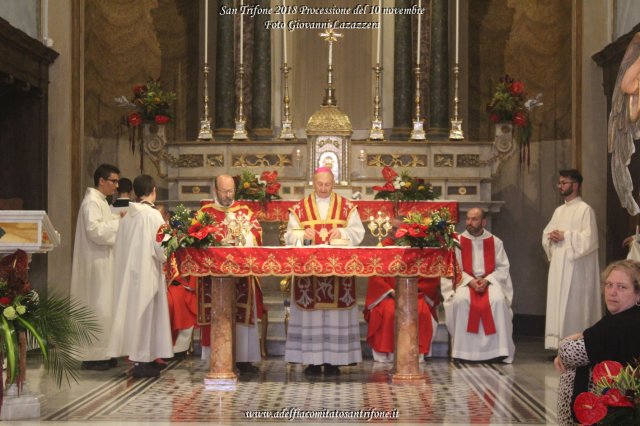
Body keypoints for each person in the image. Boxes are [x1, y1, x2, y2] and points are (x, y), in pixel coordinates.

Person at [283, 167, 365, 376]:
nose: (323, 188)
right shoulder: (300, 209)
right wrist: (303, 233)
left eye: (327, 184)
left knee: (334, 316)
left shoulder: (347, 207)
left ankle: (334, 361)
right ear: (313, 181)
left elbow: (358, 232)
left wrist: (343, 231)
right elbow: (289, 236)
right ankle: (311, 361)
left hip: (338, 274)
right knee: (312, 316)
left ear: (333, 182)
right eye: (319, 184)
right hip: (308, 275)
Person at [554, 260, 640, 425]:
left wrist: (567, 341)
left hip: (611, 414)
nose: (612, 292)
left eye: (622, 287)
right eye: (609, 285)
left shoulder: (620, 323)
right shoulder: (626, 318)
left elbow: (569, 353)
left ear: (638, 294)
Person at [107, 175, 173, 378]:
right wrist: (171, 242)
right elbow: (163, 248)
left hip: (130, 274)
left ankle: (144, 358)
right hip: (147, 273)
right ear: (154, 190)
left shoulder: (129, 216)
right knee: (146, 317)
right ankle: (143, 361)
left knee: (137, 318)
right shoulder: (154, 216)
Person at [197, 174, 264, 372]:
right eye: (224, 191)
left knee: (242, 311)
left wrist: (243, 234)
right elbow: (195, 236)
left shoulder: (244, 211)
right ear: (215, 190)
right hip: (213, 275)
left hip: (241, 273)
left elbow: (257, 233)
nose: (228, 195)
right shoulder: (205, 212)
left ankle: (244, 358)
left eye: (231, 191)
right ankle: (216, 359)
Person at [441, 207, 515, 363]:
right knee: (460, 300)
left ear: (484, 221)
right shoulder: (457, 242)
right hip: (464, 283)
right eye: (468, 219)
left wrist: (487, 280)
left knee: (498, 301)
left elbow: (503, 268)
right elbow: (453, 268)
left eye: (474, 219)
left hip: (490, 281)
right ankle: (463, 352)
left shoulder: (495, 242)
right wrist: (471, 281)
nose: (469, 222)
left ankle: (498, 351)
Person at [70, 163, 122, 370]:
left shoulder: (101, 201)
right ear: (101, 181)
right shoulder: (91, 202)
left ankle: (104, 352)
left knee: (105, 308)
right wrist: (120, 222)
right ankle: (92, 356)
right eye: (113, 181)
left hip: (103, 262)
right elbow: (95, 232)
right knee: (96, 307)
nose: (116, 186)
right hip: (94, 265)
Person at [542, 169, 601, 351]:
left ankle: (575, 347)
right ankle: (559, 346)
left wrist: (566, 235)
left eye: (564, 183)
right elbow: (546, 233)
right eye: (559, 183)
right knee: (558, 303)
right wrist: (550, 236)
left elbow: (590, 240)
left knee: (574, 304)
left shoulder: (585, 210)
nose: (560, 186)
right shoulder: (559, 210)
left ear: (575, 185)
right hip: (560, 265)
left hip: (577, 269)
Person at [364, 276, 440, 362]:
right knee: (389, 312)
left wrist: (413, 289)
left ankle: (415, 355)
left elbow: (430, 276)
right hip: (388, 296)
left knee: (420, 311)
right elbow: (376, 277)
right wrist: (391, 292)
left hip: (415, 294)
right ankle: (388, 354)